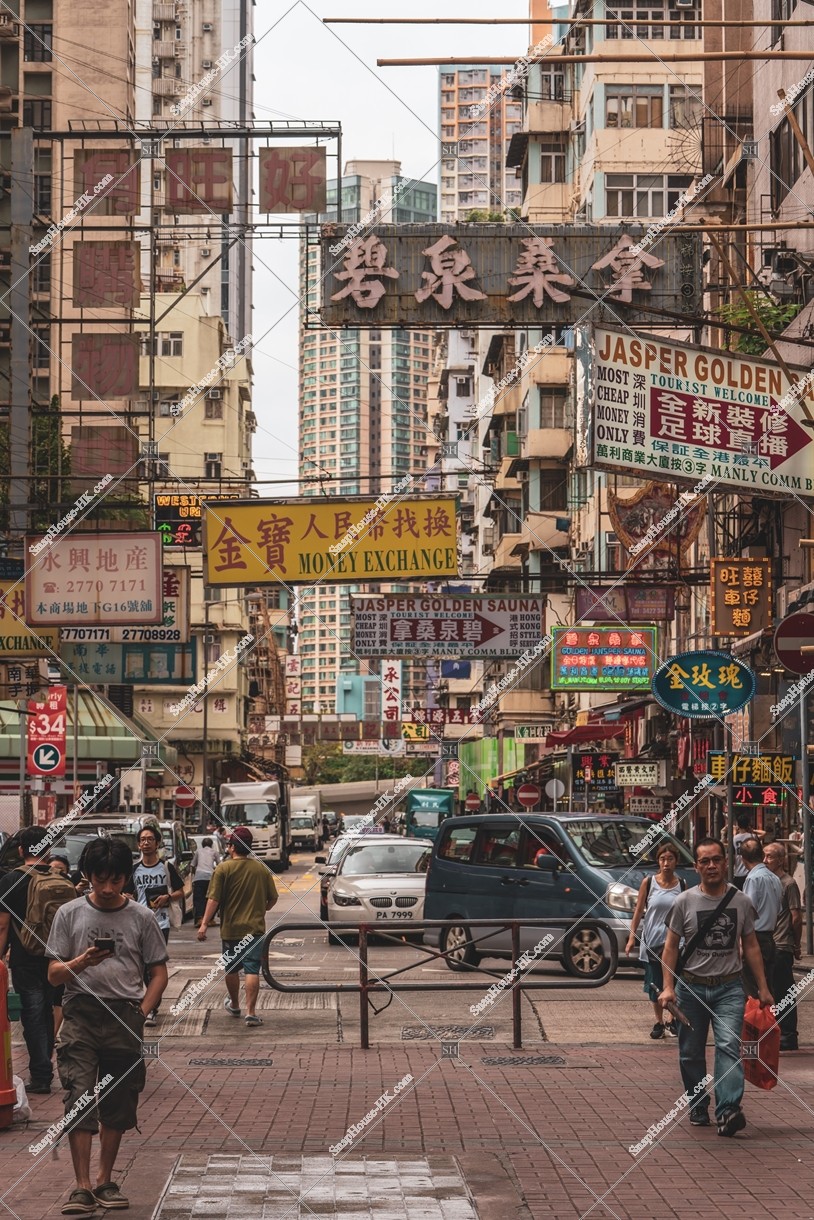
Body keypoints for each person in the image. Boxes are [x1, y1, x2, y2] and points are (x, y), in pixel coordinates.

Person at [46, 837, 168, 1215]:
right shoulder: (69, 914)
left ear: (125, 879)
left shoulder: (142, 917)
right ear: (88, 876)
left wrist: (142, 1012)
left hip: (124, 1016)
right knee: (79, 1095)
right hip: (80, 1013)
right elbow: (52, 974)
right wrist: (82, 961)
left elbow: (159, 972)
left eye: (116, 881)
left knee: (119, 1101)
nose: (109, 889)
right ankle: (81, 1186)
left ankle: (105, 1180)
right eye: (101, 880)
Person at [660, 837, 773, 1138]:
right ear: (697, 867)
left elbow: (750, 945)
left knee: (727, 1046)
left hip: (729, 989)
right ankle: (698, 1104)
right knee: (690, 1053)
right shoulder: (684, 902)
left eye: (716, 860)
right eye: (705, 861)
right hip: (691, 990)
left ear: (726, 862)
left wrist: (763, 987)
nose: (711, 866)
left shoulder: (740, 900)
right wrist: (668, 987)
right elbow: (670, 948)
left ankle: (728, 1111)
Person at [0, 827, 75, 1095]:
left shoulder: (10, 881)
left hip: (26, 958)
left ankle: (41, 1075)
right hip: (56, 958)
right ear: (48, 849)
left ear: (21, 850)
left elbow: (2, 926)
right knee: (47, 1013)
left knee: (32, 1016)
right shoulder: (62, 879)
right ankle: (46, 1067)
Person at [197, 826, 277, 1027]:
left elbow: (213, 899)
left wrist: (204, 924)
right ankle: (251, 1013)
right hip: (255, 929)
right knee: (252, 970)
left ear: (232, 847)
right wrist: (260, 909)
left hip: (231, 930)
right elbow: (273, 899)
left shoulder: (223, 869)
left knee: (231, 969)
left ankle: (234, 1004)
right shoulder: (261, 869)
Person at [625, 845, 686, 1039]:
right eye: (662, 859)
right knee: (655, 984)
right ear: (658, 862)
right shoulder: (649, 882)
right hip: (652, 940)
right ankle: (659, 1021)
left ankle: (671, 1019)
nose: (666, 863)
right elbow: (638, 911)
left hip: (675, 943)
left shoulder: (682, 885)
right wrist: (631, 937)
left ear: (676, 861)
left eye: (670, 859)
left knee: (674, 983)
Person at [130, 825, 184, 1026]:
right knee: (141, 966)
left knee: (154, 965)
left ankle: (151, 1008)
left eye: (150, 839)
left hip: (161, 923)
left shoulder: (166, 867)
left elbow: (180, 891)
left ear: (157, 843)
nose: (146, 843)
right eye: (142, 840)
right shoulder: (134, 870)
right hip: (139, 923)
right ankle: (150, 1003)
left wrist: (168, 897)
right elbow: (127, 894)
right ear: (138, 844)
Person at [763, 841, 802, 1051]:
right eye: (764, 855)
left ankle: (788, 1034)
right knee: (771, 990)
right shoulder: (766, 881)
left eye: (769, 856)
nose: (765, 860)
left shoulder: (788, 883)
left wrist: (796, 945)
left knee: (784, 990)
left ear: (781, 860)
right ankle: (777, 1031)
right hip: (769, 945)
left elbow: (796, 917)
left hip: (782, 945)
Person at [741, 835, 782, 997]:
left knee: (753, 991)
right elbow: (778, 909)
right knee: (767, 986)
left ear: (743, 859)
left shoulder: (753, 878)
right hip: (770, 938)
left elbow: (748, 912)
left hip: (755, 940)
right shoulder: (775, 878)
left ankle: (758, 1023)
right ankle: (769, 1022)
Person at [190, 837, 220, 927]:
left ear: (202, 845)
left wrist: (194, 875)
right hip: (210, 877)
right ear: (211, 845)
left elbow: (192, 865)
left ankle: (200, 918)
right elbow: (220, 864)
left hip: (199, 877)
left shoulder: (198, 851)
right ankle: (210, 919)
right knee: (211, 898)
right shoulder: (214, 852)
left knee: (199, 899)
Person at [731, 814, 752, 890]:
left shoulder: (734, 839)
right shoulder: (752, 837)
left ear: (737, 824)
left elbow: (732, 858)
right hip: (751, 872)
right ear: (748, 824)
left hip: (738, 873)